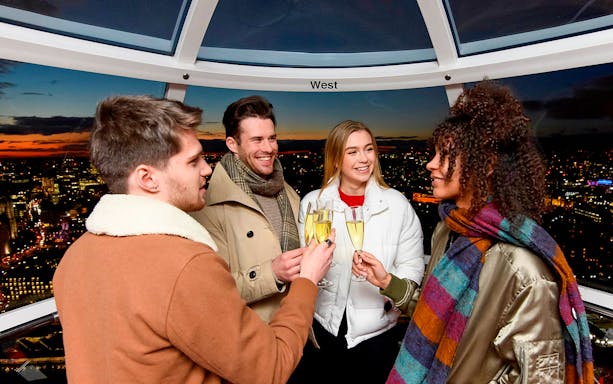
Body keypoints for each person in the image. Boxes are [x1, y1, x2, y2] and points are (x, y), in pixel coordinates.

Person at [52, 95, 335, 384]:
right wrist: (307, 281)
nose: (206, 169)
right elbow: (270, 368)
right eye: (192, 161)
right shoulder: (186, 264)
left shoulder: (73, 258)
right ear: (147, 179)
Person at [370, 81, 594, 383]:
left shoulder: (524, 270)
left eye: (444, 156)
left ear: (485, 165)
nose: (430, 164)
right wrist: (387, 282)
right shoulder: (447, 232)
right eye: (433, 154)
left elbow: (539, 377)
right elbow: (434, 312)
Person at [292, 120, 425, 383]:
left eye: (368, 149)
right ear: (336, 159)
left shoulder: (398, 205)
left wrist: (386, 283)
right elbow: (302, 266)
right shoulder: (313, 203)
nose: (364, 159)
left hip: (377, 337)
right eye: (352, 152)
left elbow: (412, 268)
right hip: (322, 332)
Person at [191, 95, 302, 323]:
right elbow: (213, 292)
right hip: (253, 339)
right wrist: (272, 274)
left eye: (272, 138)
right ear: (233, 144)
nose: (268, 148)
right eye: (257, 140)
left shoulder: (290, 194)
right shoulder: (209, 207)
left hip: (297, 327)